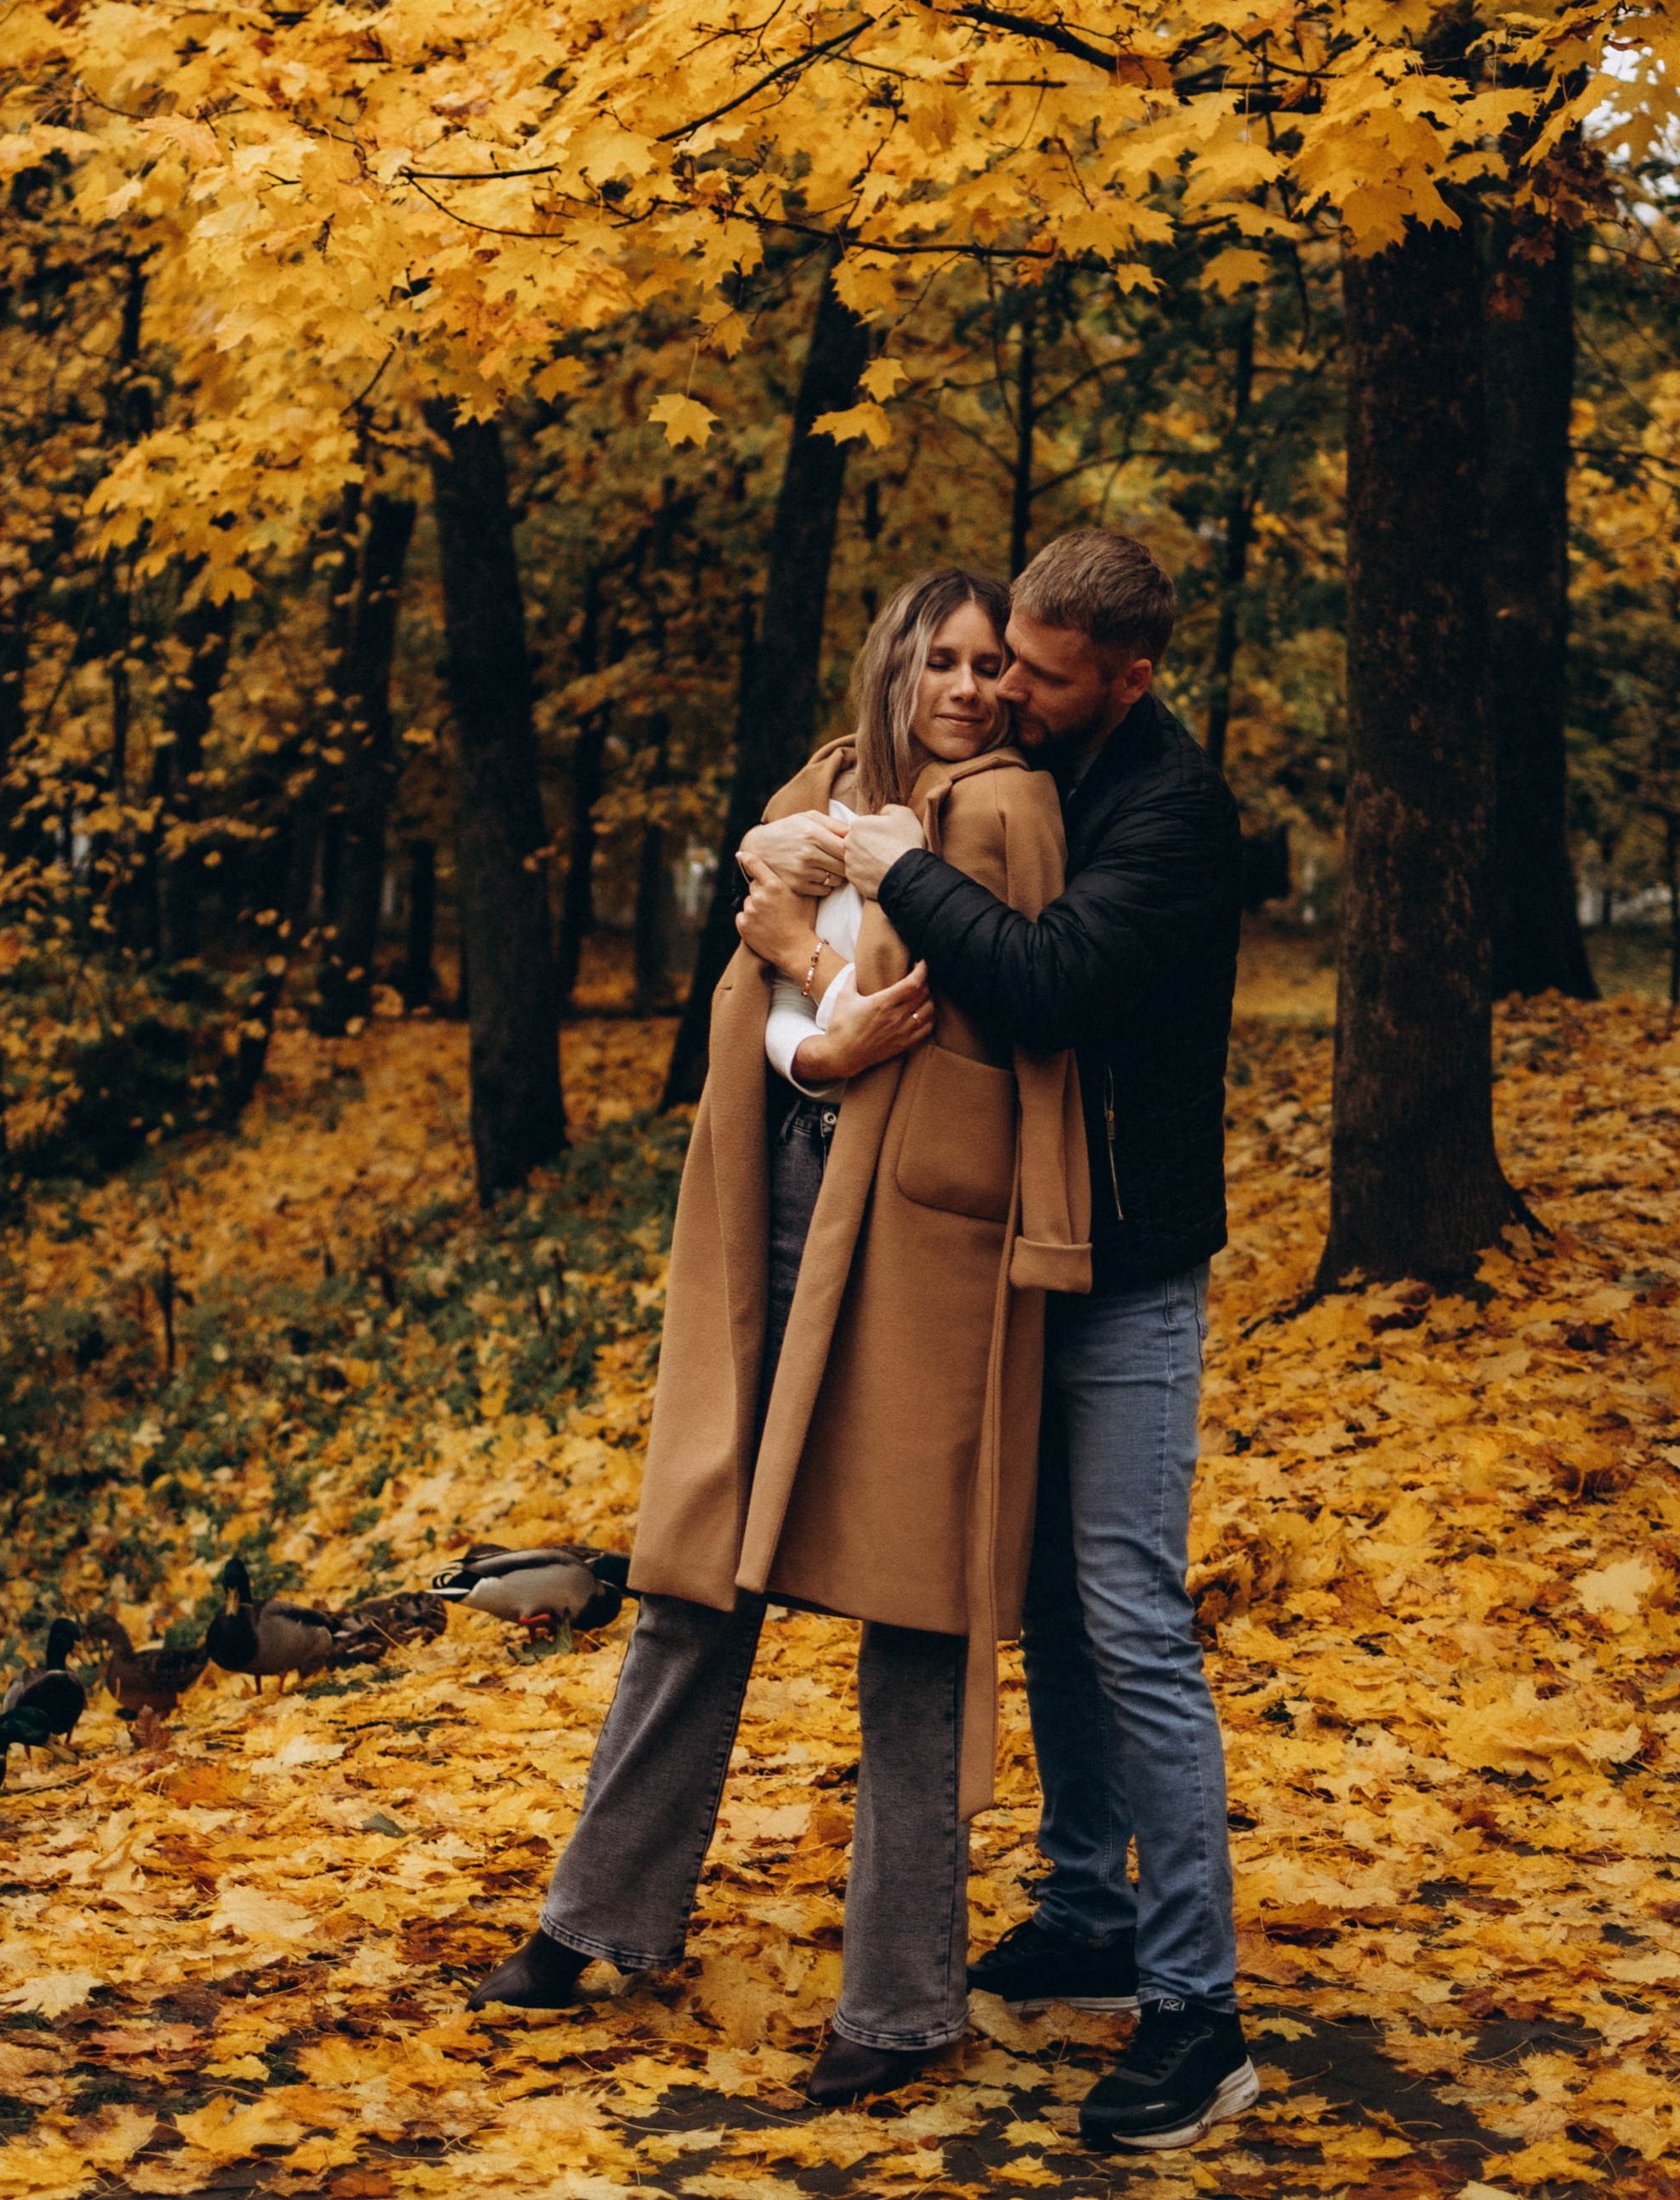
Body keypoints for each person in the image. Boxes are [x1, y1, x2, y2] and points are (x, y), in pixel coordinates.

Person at [468, 566, 1091, 2105]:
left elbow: (975, 1004)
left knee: (916, 1618)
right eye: (938, 658)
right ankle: (594, 1917)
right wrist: (816, 1009)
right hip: (786, 1205)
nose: (965, 684)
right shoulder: (820, 787)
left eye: (987, 662)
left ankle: (896, 2005)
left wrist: (824, 967)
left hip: (923, 1240)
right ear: (893, 665)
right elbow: (764, 972)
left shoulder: (1007, 808)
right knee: (694, 1576)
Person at [828, 526, 1253, 2157]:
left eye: (1038, 672)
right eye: (999, 657)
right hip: (1040, 1259)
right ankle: (1088, 1904)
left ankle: (1200, 2012)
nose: (1003, 687)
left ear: (1127, 677)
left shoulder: (1168, 812)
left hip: (1136, 1270)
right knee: (1055, 1607)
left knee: (1134, 1617)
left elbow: (1039, 985)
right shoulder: (1045, 767)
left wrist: (893, 871)